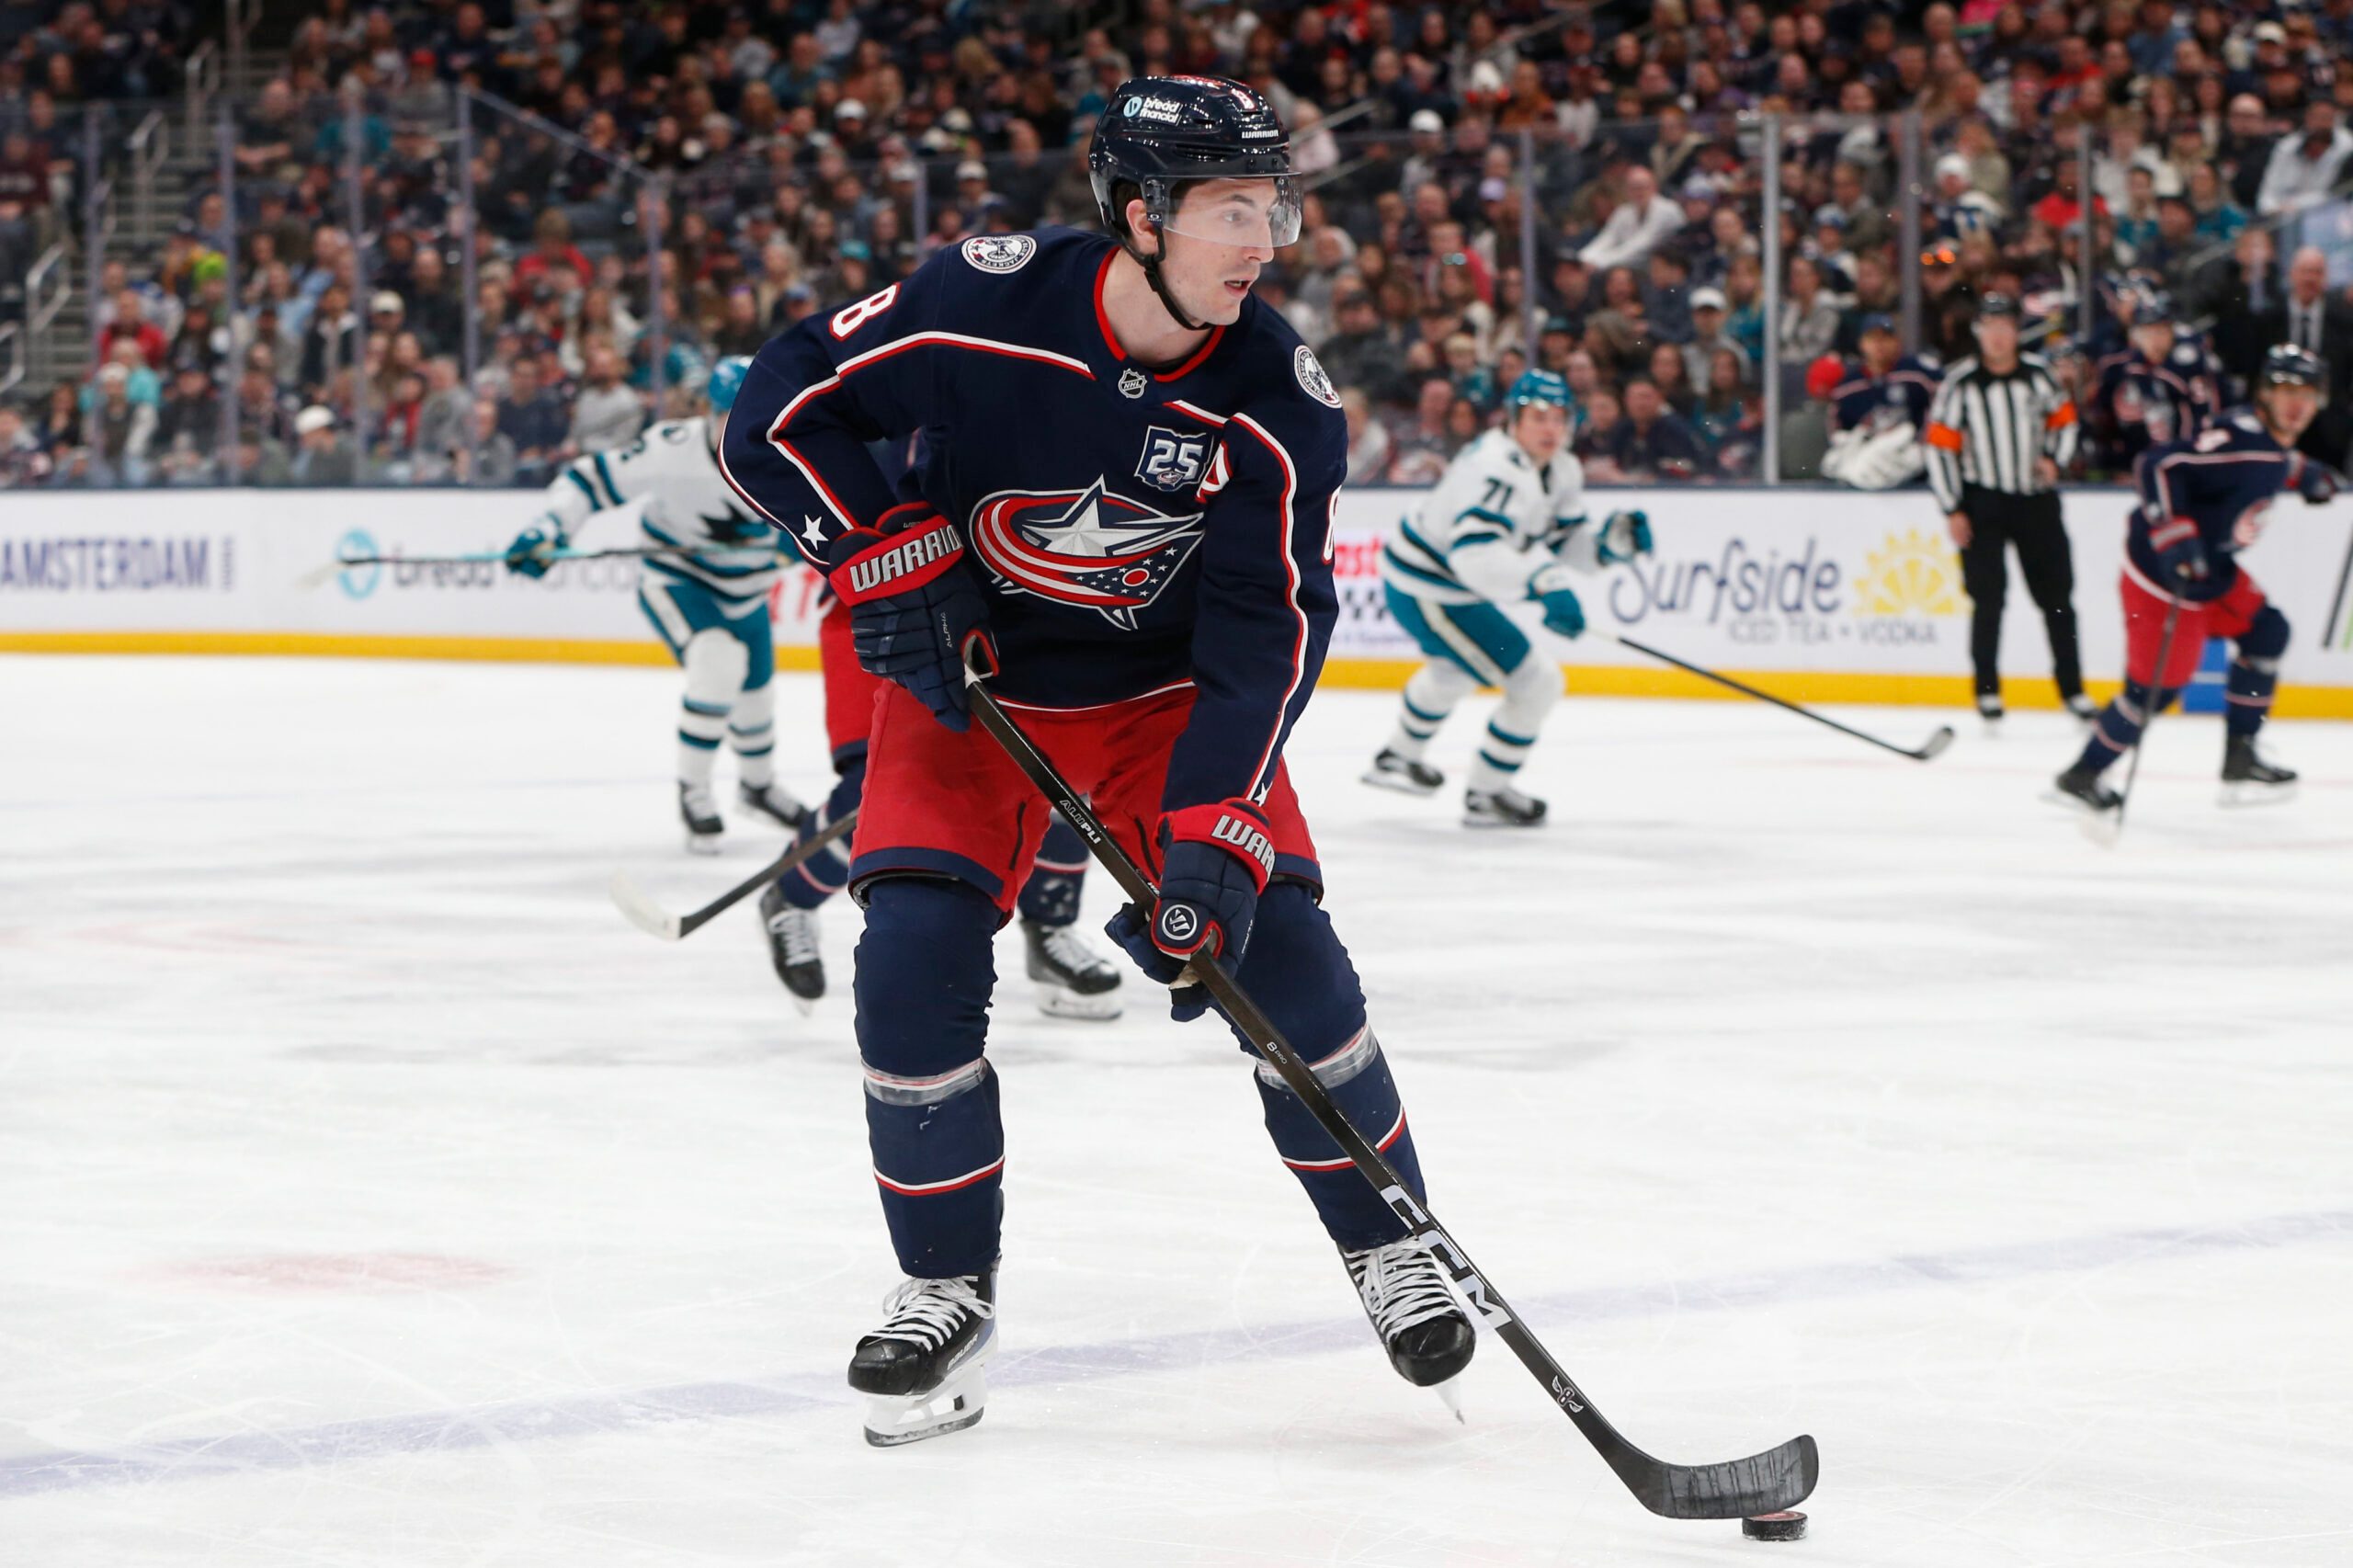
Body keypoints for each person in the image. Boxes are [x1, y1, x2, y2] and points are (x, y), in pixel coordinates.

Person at [718, 75, 1477, 1447]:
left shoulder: (1276, 400)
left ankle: (1394, 1237)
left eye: (1275, 207)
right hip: (974, 689)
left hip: (1164, 703)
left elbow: (1269, 630)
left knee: (1280, 960)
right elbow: (773, 410)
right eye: (1234, 208)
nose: (1266, 239)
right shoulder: (981, 301)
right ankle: (944, 1282)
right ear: (1139, 212)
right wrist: (884, 549)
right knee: (908, 971)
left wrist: (1209, 838)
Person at [503, 357, 809, 852]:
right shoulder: (672, 451)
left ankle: (757, 787)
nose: (752, 429)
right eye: (738, 415)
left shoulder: (796, 453)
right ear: (712, 414)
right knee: (717, 664)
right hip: (679, 579)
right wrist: (549, 529)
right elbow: (587, 480)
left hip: (747, 589)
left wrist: (805, 539)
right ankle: (695, 790)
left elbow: (827, 516)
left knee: (757, 694)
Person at [1364, 370, 1652, 826]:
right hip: (1431, 586)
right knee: (1536, 682)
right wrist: (1543, 580)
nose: (1550, 428)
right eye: (1538, 416)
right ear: (1514, 420)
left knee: (1457, 667)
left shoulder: (1561, 468)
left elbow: (1564, 542)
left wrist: (1605, 549)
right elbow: (1473, 557)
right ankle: (1487, 793)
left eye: (1559, 417)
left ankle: (1396, 758)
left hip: (1436, 583)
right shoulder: (1494, 468)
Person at [2054, 346, 2328, 812]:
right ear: (2264, 395)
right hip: (2162, 577)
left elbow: (2264, 464)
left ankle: (2240, 757)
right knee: (2154, 690)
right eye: (2285, 391)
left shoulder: (2266, 445)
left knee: (2267, 632)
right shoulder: (2244, 443)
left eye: (2307, 393)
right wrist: (2173, 531)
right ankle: (2083, 773)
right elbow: (2158, 464)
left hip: (2212, 573)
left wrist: (2305, 473)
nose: (2296, 404)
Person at [1924, 294, 2095, 728]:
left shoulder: (2039, 376)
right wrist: (1953, 508)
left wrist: (2055, 459)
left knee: (2057, 598)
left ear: (2016, 331)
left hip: (2035, 500)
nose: (1998, 335)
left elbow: (2066, 421)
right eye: (1990, 326)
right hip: (1983, 503)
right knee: (1988, 599)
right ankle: (1987, 692)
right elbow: (1940, 449)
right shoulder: (1960, 383)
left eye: (2005, 325)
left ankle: (2072, 690)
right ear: (1979, 331)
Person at [2088, 287, 2218, 473]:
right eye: (2148, 331)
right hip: (2130, 467)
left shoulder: (2189, 367)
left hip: (2184, 464)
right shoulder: (2117, 367)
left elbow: (2205, 417)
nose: (2155, 339)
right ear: (2135, 335)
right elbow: (2103, 418)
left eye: (2162, 330)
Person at [1821, 315, 1938, 490]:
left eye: (1885, 338)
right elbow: (1838, 431)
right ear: (1861, 343)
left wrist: (1923, 448)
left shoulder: (1917, 376)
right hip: (1863, 475)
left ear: (1896, 341)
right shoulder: (1847, 388)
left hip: (1915, 472)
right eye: (1872, 338)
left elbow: (1939, 411)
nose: (1879, 344)